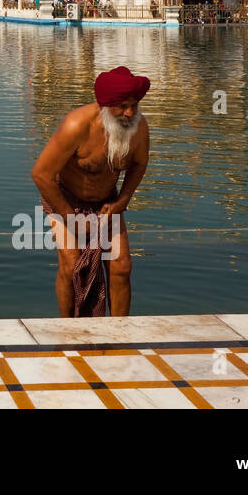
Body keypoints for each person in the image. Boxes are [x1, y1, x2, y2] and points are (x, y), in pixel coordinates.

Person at [30, 66, 150, 317]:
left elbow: (139, 164)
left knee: (122, 266)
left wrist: (122, 201)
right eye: (122, 106)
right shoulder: (76, 125)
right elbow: (41, 174)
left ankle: (119, 334)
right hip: (65, 199)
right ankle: (69, 329)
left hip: (107, 203)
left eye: (134, 105)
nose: (129, 113)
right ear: (106, 105)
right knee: (73, 265)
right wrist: (71, 219)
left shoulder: (138, 127)